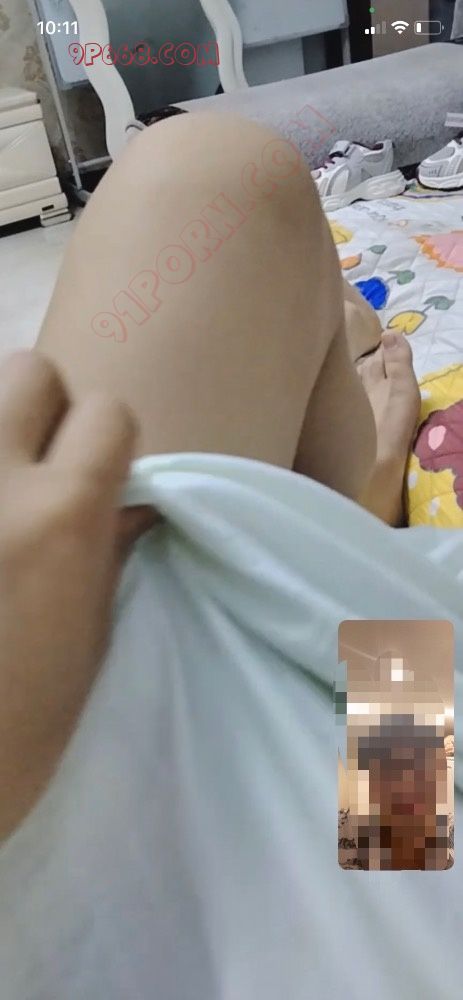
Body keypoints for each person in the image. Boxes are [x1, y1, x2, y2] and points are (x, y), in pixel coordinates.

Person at [0, 111, 420, 843]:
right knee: (210, 172)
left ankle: (361, 521)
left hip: (370, 861)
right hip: (391, 856)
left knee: (211, 178)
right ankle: (365, 525)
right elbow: (404, 850)